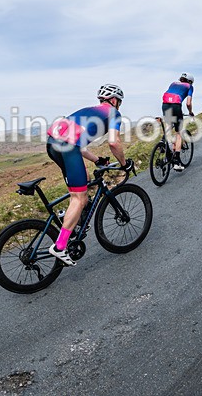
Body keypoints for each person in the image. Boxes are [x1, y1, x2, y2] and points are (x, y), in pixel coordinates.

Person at [45, 84, 133, 266]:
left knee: (83, 182)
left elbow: (79, 144)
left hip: (53, 143)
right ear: (115, 101)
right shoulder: (113, 114)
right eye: (120, 102)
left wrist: (97, 159)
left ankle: (70, 218)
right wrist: (124, 164)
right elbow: (114, 143)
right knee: (79, 198)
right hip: (68, 147)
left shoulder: (88, 111)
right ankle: (60, 247)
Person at [162, 72, 195, 171]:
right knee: (179, 132)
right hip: (176, 106)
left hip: (165, 105)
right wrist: (190, 112)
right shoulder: (189, 86)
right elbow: (188, 103)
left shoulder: (173, 83)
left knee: (168, 127)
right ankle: (176, 161)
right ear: (190, 81)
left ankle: (167, 146)